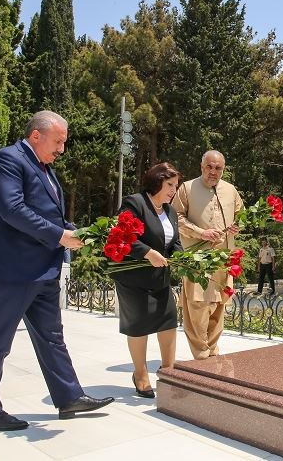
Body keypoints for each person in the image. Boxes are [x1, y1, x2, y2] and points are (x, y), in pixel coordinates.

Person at [0, 111, 113, 431]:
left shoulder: (44, 168)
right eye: (59, 141)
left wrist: (78, 232)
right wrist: (60, 236)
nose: (62, 149)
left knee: (52, 338)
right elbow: (13, 210)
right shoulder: (6, 161)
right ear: (37, 135)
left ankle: (68, 397)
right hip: (14, 269)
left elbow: (49, 215)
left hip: (44, 269)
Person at [111, 162, 183, 399]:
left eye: (176, 186)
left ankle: (169, 372)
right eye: (170, 185)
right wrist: (147, 253)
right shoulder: (136, 203)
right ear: (157, 181)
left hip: (160, 278)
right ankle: (140, 374)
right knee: (139, 324)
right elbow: (120, 234)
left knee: (169, 321)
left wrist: (182, 259)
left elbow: (175, 243)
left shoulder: (171, 211)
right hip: (134, 278)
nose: (174, 190)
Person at [172, 150, 243, 360]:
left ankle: (212, 348)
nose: (213, 171)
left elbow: (241, 215)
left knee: (220, 303)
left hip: (223, 258)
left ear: (223, 169)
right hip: (197, 258)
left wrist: (236, 226)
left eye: (218, 168)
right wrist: (201, 232)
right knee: (198, 304)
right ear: (202, 166)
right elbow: (175, 217)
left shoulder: (230, 190)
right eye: (209, 167)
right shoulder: (186, 188)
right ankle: (200, 351)